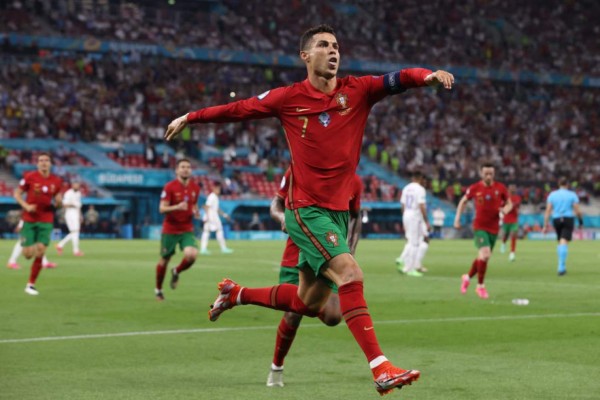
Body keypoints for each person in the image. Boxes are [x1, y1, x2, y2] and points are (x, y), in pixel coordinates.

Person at [165, 24, 454, 395]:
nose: (333, 51)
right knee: (350, 274)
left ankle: (235, 293)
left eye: (336, 46)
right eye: (323, 45)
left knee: (307, 302)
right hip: (306, 208)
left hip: (335, 212)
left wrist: (426, 76)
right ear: (306, 56)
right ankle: (380, 367)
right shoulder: (288, 98)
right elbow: (239, 109)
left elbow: (397, 79)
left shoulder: (358, 90)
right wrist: (192, 117)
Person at [266, 169, 363, 387]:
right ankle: (276, 368)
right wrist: (282, 217)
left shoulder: (353, 180)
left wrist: (351, 250)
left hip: (331, 254)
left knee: (333, 316)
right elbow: (275, 203)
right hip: (296, 252)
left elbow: (356, 216)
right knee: (293, 315)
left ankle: (302, 304)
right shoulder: (298, 170)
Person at [454, 162, 512, 299]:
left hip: (494, 227)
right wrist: (457, 219)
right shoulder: (475, 188)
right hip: (480, 227)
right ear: (481, 173)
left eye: (491, 173)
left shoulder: (500, 188)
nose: (488, 176)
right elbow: (463, 201)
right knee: (485, 254)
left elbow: (509, 203)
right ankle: (480, 286)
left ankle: (467, 277)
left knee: (483, 257)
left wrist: (505, 210)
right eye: (486, 173)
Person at [13, 152, 62, 295]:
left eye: (47, 160)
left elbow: (58, 200)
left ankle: (31, 284)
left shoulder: (56, 181)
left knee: (41, 250)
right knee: (27, 255)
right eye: (41, 160)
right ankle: (27, 242)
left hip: (46, 219)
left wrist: (59, 203)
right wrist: (26, 206)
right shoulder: (30, 176)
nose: (44, 163)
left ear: (50, 163)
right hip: (29, 218)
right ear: (37, 163)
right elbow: (17, 194)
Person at [155, 159, 201, 301]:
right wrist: (176, 207)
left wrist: (196, 211)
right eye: (182, 167)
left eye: (188, 167)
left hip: (186, 228)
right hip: (170, 228)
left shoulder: (195, 188)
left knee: (192, 255)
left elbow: (194, 205)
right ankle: (158, 290)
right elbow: (162, 208)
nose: (185, 169)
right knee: (164, 260)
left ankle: (176, 271)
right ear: (177, 170)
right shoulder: (169, 187)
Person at [542, 176, 583, 276]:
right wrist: (580, 221)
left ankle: (561, 265)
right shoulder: (572, 195)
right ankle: (561, 267)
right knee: (564, 241)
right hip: (568, 218)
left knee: (560, 240)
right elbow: (577, 210)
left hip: (556, 219)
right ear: (567, 184)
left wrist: (545, 225)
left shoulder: (552, 195)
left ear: (558, 184)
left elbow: (548, 210)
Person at [397, 171, 430, 277]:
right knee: (414, 243)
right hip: (415, 216)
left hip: (406, 214)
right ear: (419, 178)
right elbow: (422, 206)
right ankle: (409, 268)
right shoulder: (420, 189)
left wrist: (404, 216)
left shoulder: (406, 188)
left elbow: (402, 204)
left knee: (410, 241)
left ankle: (406, 266)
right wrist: (426, 221)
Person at [199, 181, 233, 255]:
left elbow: (216, 209)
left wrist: (224, 215)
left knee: (212, 231)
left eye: (219, 189)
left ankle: (221, 248)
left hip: (213, 216)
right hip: (211, 216)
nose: (219, 191)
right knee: (210, 231)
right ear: (214, 189)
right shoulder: (212, 196)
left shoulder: (215, 197)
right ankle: (221, 248)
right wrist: (207, 217)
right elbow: (206, 206)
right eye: (218, 189)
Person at [56, 181, 84, 256]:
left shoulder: (78, 193)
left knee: (75, 232)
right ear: (72, 185)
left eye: (78, 185)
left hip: (76, 213)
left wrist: (80, 215)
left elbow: (79, 206)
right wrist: (73, 205)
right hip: (70, 213)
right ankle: (75, 250)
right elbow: (64, 204)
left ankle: (61, 245)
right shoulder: (68, 193)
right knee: (75, 232)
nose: (77, 186)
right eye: (75, 184)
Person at [500, 184, 521, 261]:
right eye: (511, 188)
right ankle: (503, 243)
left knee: (513, 234)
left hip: (514, 220)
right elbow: (501, 206)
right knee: (505, 235)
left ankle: (512, 253)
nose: (513, 190)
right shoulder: (505, 198)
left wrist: (510, 205)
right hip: (506, 220)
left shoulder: (517, 197)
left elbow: (517, 205)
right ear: (508, 189)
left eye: (514, 188)